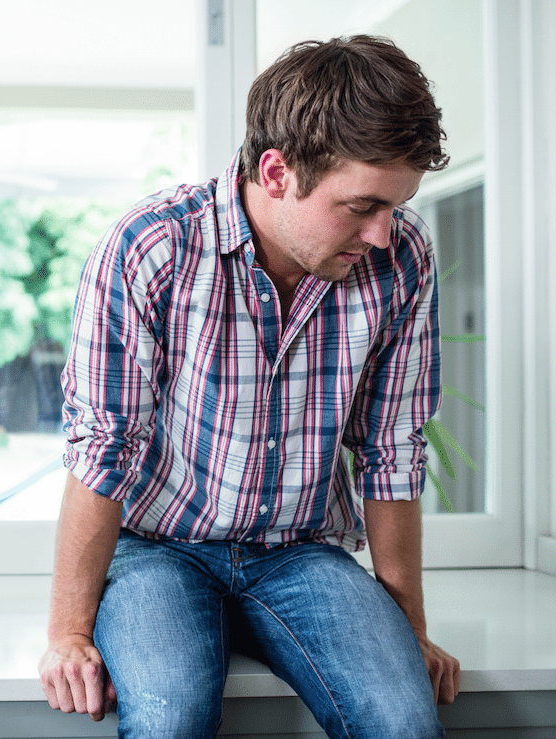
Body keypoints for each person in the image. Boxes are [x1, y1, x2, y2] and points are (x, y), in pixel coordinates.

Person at [38, 35, 461, 739]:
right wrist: (67, 632)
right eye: (361, 206)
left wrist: (405, 627)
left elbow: (392, 448)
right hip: (159, 547)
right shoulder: (152, 248)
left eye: (396, 205)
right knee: (171, 718)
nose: (384, 233)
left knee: (402, 718)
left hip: (304, 551)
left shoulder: (403, 258)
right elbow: (103, 447)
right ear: (275, 171)